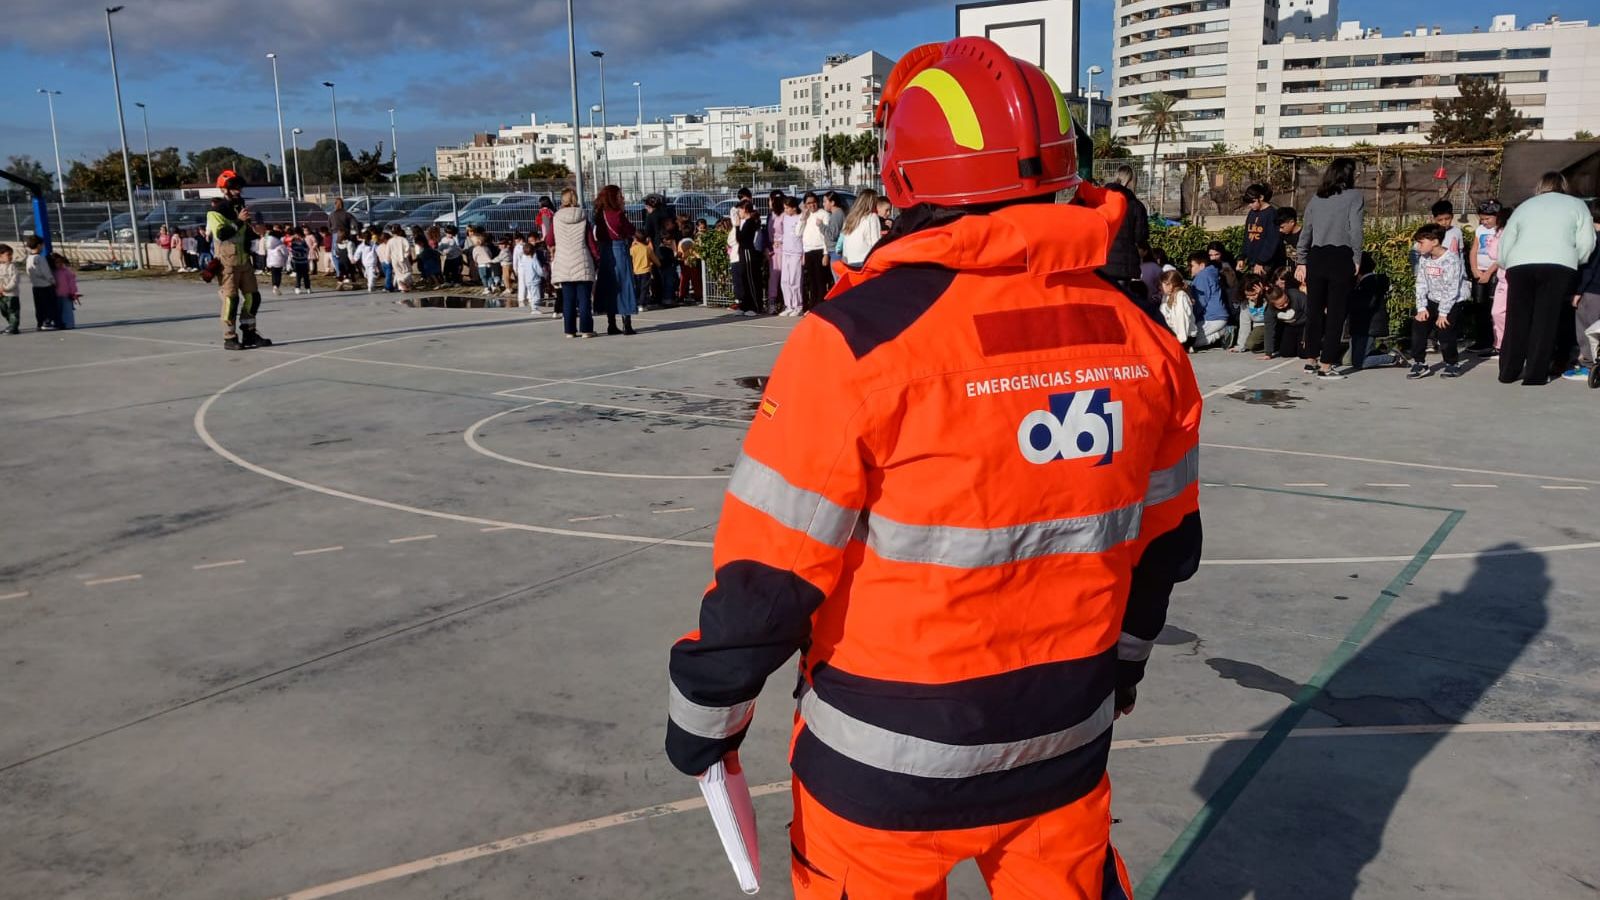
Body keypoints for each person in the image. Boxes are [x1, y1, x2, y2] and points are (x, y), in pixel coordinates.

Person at [665, 37, 1199, 900]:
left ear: (906, 176)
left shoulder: (855, 341)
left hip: (885, 763)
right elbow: (1166, 546)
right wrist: (1124, 670)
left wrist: (706, 715)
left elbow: (771, 574)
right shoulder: (1143, 339)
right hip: (1062, 745)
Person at [1497, 171, 1597, 386]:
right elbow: (1587, 241)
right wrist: (1576, 259)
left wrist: (1506, 262)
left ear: (1540, 186)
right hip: (1558, 264)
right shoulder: (1577, 205)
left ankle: (1508, 371)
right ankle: (1535, 374)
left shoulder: (1525, 206)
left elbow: (1506, 240)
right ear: (1564, 186)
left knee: (1517, 318)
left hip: (1520, 263)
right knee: (1546, 319)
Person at [1296, 157, 1363, 379]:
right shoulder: (1354, 197)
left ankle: (1310, 360)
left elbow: (1307, 231)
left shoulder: (1316, 198)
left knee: (1314, 310)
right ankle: (1326, 365)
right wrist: (1356, 257)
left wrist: (1301, 260)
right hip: (1340, 256)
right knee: (1335, 313)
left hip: (1317, 256)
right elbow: (1355, 230)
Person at [206, 171, 270, 350]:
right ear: (224, 190)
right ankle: (230, 337)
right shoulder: (216, 211)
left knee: (253, 297)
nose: (238, 191)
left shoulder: (239, 207)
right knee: (231, 300)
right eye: (233, 188)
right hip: (227, 263)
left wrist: (256, 231)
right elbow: (222, 233)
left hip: (244, 261)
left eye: (239, 188)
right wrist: (240, 221)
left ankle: (249, 332)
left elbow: (245, 233)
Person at [1407, 223, 1466, 379]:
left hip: (1450, 302)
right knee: (1418, 327)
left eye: (1421, 242)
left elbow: (1451, 288)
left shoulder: (1451, 260)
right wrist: (1421, 307)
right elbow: (1421, 282)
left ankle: (1452, 363)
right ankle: (1419, 363)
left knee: (1444, 333)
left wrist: (1443, 313)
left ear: (1434, 242)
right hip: (1431, 299)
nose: (1418, 246)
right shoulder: (1424, 259)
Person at [1101, 164, 1153, 315]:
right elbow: (1140, 237)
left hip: (1100, 262)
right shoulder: (1136, 206)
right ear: (1131, 181)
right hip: (1124, 266)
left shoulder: (1102, 199)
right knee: (1121, 306)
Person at [550, 188, 598, 338]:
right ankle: (586, 330)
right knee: (584, 299)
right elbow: (590, 242)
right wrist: (597, 258)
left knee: (568, 299)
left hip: (564, 261)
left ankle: (570, 330)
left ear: (562, 200)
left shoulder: (556, 218)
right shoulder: (583, 216)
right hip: (582, 258)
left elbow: (549, 239)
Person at [1561, 206, 1600, 385]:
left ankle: (1589, 364)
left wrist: (1578, 291)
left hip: (1592, 290)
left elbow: (1589, 269)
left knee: (1587, 329)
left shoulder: (1594, 240)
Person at [592, 185, 638, 336]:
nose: (622, 198)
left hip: (605, 251)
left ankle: (611, 323)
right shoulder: (618, 215)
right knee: (625, 284)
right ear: (613, 197)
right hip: (619, 249)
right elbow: (629, 230)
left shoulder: (599, 214)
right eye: (619, 195)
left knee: (608, 286)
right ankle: (627, 323)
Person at [1468, 200, 1505, 355]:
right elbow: (1474, 250)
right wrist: (1475, 270)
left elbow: (1502, 255)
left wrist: (1489, 272)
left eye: (1487, 219)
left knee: (1494, 309)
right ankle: (1482, 340)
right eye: (1482, 219)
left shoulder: (1502, 231)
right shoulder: (1480, 230)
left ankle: (1496, 342)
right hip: (1479, 273)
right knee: (1479, 307)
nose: (1484, 222)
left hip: (1494, 273)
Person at [1349, 251, 1391, 370]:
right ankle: (1380, 352)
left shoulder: (1370, 283)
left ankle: (1391, 357)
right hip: (1360, 326)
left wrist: (1352, 297)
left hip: (1368, 326)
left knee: (1360, 362)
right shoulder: (1365, 283)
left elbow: (1367, 304)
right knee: (1354, 360)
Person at [1188, 251, 1228, 348]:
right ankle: (1220, 333)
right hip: (1217, 317)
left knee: (1189, 342)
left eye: (1191, 266)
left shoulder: (1202, 277)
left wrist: (1193, 318)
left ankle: (1223, 332)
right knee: (1192, 342)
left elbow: (1200, 302)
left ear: (1201, 266)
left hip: (1211, 318)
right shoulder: (1211, 273)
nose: (1189, 269)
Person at [731, 200, 763, 318]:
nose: (739, 212)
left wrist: (737, 225)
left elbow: (740, 238)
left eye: (740, 209)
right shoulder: (746, 222)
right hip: (742, 252)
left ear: (745, 209)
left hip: (748, 252)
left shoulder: (750, 222)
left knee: (750, 280)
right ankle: (744, 306)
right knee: (744, 279)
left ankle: (754, 306)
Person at [1241, 183, 1281, 274]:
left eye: (1252, 202)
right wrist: (1242, 257)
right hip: (1252, 261)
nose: (1250, 205)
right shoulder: (1252, 213)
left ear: (1261, 198)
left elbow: (1272, 240)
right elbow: (1247, 236)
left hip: (1265, 264)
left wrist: (1261, 261)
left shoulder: (1271, 214)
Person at [799, 192, 830, 311]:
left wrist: (826, 254)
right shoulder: (806, 216)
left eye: (813, 202)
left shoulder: (824, 214)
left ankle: (821, 307)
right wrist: (803, 218)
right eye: (808, 203)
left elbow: (827, 236)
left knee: (820, 280)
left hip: (820, 251)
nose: (811, 205)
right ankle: (813, 306)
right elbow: (798, 233)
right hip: (808, 251)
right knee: (811, 281)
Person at [1261, 282, 1307, 360]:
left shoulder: (1297, 295)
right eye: (1281, 305)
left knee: (1304, 354)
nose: (1285, 305)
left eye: (1286, 300)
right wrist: (1268, 353)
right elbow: (1269, 329)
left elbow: (1312, 316)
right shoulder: (1270, 310)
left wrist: (1306, 337)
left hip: (1305, 325)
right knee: (1286, 353)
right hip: (1289, 326)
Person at [840, 188, 882, 267]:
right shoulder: (872, 217)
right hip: (866, 261)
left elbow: (845, 241)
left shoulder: (850, 218)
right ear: (872, 203)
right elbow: (876, 243)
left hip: (850, 260)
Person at [778, 196, 805, 316]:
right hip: (786, 252)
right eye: (784, 208)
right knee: (785, 280)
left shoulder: (800, 218)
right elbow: (784, 234)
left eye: (788, 208)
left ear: (794, 208)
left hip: (796, 252)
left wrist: (803, 254)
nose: (785, 211)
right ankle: (788, 305)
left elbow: (802, 236)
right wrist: (779, 240)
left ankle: (798, 306)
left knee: (795, 280)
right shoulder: (785, 218)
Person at [1159, 268, 1197, 350]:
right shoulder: (1166, 297)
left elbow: (1182, 318)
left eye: (1162, 285)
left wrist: (1180, 340)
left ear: (1170, 285)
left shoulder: (1181, 296)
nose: (1160, 287)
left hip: (1184, 336)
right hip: (1173, 334)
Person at [24, 235, 56, 331]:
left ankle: (40, 322)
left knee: (39, 306)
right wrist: (52, 281)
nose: (43, 247)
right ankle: (47, 322)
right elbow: (45, 272)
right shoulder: (40, 258)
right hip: (45, 285)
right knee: (49, 305)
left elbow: (28, 271)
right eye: (42, 245)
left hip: (36, 286)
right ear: (38, 245)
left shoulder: (29, 258)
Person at [1232, 273, 1266, 353]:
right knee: (1251, 344)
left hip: (1273, 324)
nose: (1251, 298)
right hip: (1259, 326)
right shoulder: (1245, 303)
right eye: (1248, 295)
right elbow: (1244, 324)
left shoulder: (1267, 297)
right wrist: (1240, 346)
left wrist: (1262, 295)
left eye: (1254, 294)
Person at [328, 197, 359, 284]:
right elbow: (354, 224)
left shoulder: (332, 215)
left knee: (335, 255)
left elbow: (329, 226)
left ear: (335, 204)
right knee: (348, 253)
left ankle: (340, 273)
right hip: (346, 234)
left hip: (335, 234)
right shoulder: (347, 214)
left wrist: (333, 231)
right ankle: (349, 273)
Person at [766, 190, 787, 311]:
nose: (769, 202)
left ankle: (786, 302)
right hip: (773, 250)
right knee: (773, 277)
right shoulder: (770, 215)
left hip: (784, 249)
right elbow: (766, 233)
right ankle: (772, 303)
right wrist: (767, 247)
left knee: (785, 277)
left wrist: (781, 241)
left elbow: (789, 232)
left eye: (770, 200)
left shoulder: (785, 214)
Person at [49, 253, 80, 330]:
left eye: (60, 262)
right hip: (56, 295)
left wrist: (73, 292)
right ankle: (58, 324)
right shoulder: (52, 272)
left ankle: (69, 324)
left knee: (67, 311)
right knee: (57, 311)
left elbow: (72, 282)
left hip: (66, 295)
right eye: (56, 262)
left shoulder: (66, 271)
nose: (59, 264)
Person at [630, 230, 656, 321]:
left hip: (635, 271)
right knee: (644, 288)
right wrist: (658, 263)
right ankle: (642, 304)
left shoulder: (632, 249)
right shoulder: (647, 248)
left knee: (637, 287)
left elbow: (630, 258)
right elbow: (654, 259)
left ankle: (637, 303)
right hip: (646, 270)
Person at [517, 235, 547, 315]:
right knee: (536, 295)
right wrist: (544, 274)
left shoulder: (524, 260)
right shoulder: (534, 260)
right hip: (535, 280)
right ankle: (534, 308)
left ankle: (533, 307)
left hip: (528, 280)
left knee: (532, 294)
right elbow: (539, 270)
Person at [0, 243, 19, 335]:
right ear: (0, 256)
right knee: (4, 311)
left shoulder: (12, 267)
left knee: (13, 311)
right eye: (8, 255)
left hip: (11, 294)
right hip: (1, 295)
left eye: (11, 254)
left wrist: (6, 288)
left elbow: (14, 280)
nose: (11, 257)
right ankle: (11, 324)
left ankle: (14, 327)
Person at [288, 227, 312, 294]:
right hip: (296, 260)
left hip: (304, 260)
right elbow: (289, 247)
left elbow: (307, 249)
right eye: (295, 234)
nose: (297, 235)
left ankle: (308, 287)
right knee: (298, 275)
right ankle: (297, 287)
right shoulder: (292, 240)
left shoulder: (304, 240)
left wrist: (302, 252)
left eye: (298, 234)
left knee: (305, 275)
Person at [264, 227, 287, 296]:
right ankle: (277, 286)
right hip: (279, 261)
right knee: (278, 274)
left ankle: (274, 286)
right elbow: (285, 252)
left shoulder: (268, 244)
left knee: (273, 274)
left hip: (271, 261)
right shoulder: (280, 244)